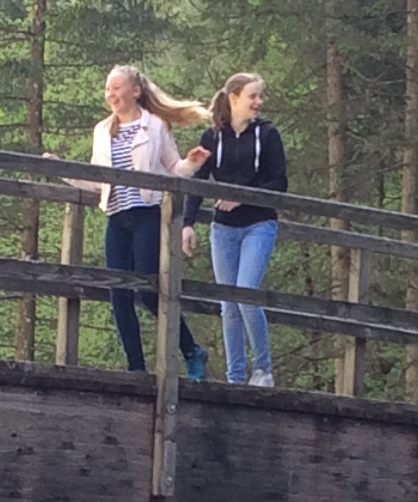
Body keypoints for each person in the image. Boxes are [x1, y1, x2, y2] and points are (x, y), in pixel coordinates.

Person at [86, 65, 207, 379]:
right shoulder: (102, 130)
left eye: (116, 88)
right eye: (107, 89)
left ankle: (192, 349)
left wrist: (192, 162)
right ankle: (136, 369)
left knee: (150, 291)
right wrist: (59, 169)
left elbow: (172, 168)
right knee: (118, 293)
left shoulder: (154, 125)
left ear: (135, 91)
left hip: (146, 214)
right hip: (116, 216)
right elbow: (97, 178)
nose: (110, 94)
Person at [196, 71, 287, 387]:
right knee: (228, 304)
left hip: (259, 223)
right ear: (234, 98)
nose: (259, 102)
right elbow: (197, 179)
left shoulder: (267, 134)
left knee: (246, 293)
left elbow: (279, 181)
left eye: (260, 96)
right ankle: (235, 378)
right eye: (253, 96)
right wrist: (186, 224)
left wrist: (241, 197)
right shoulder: (212, 137)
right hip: (223, 229)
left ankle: (262, 370)